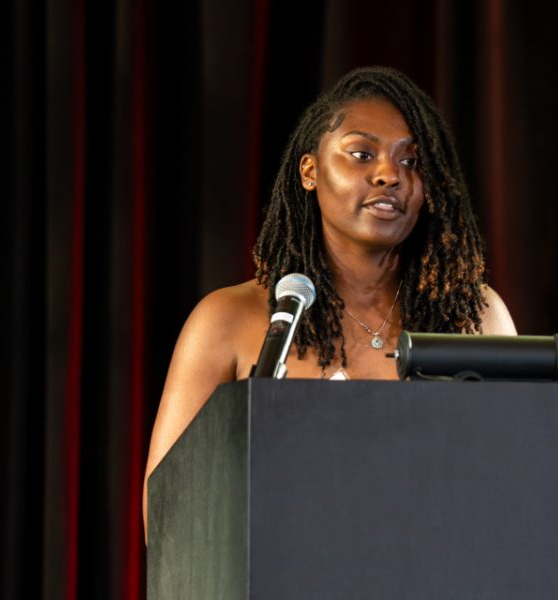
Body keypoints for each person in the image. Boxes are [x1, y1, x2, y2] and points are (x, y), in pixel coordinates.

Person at [143, 66, 516, 535]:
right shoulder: (229, 320)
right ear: (310, 171)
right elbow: (166, 513)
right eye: (362, 154)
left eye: (412, 162)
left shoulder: (476, 316)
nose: (389, 175)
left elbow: (519, 485)